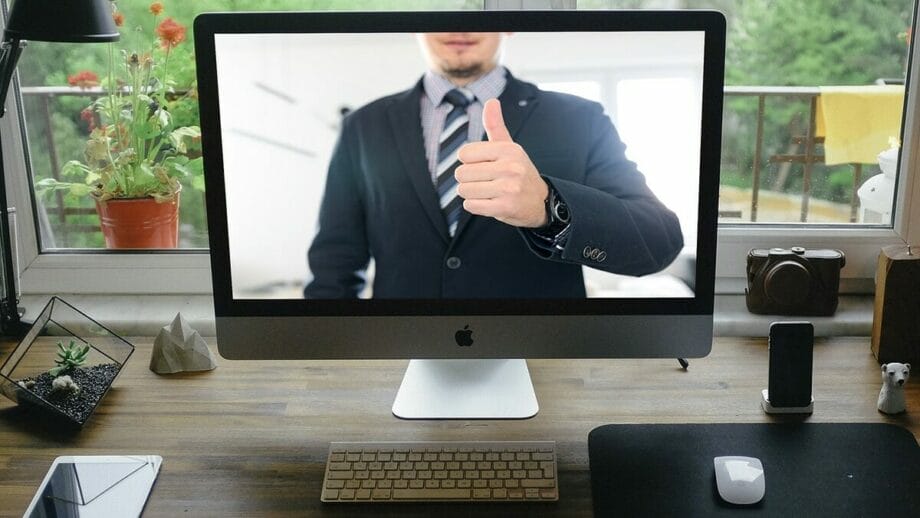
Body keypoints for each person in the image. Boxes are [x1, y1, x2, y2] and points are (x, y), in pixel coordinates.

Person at [304, 32, 683, 299]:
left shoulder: (580, 118)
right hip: (400, 355)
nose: (458, 25)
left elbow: (657, 243)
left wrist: (550, 207)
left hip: (546, 359)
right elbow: (336, 259)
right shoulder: (363, 125)